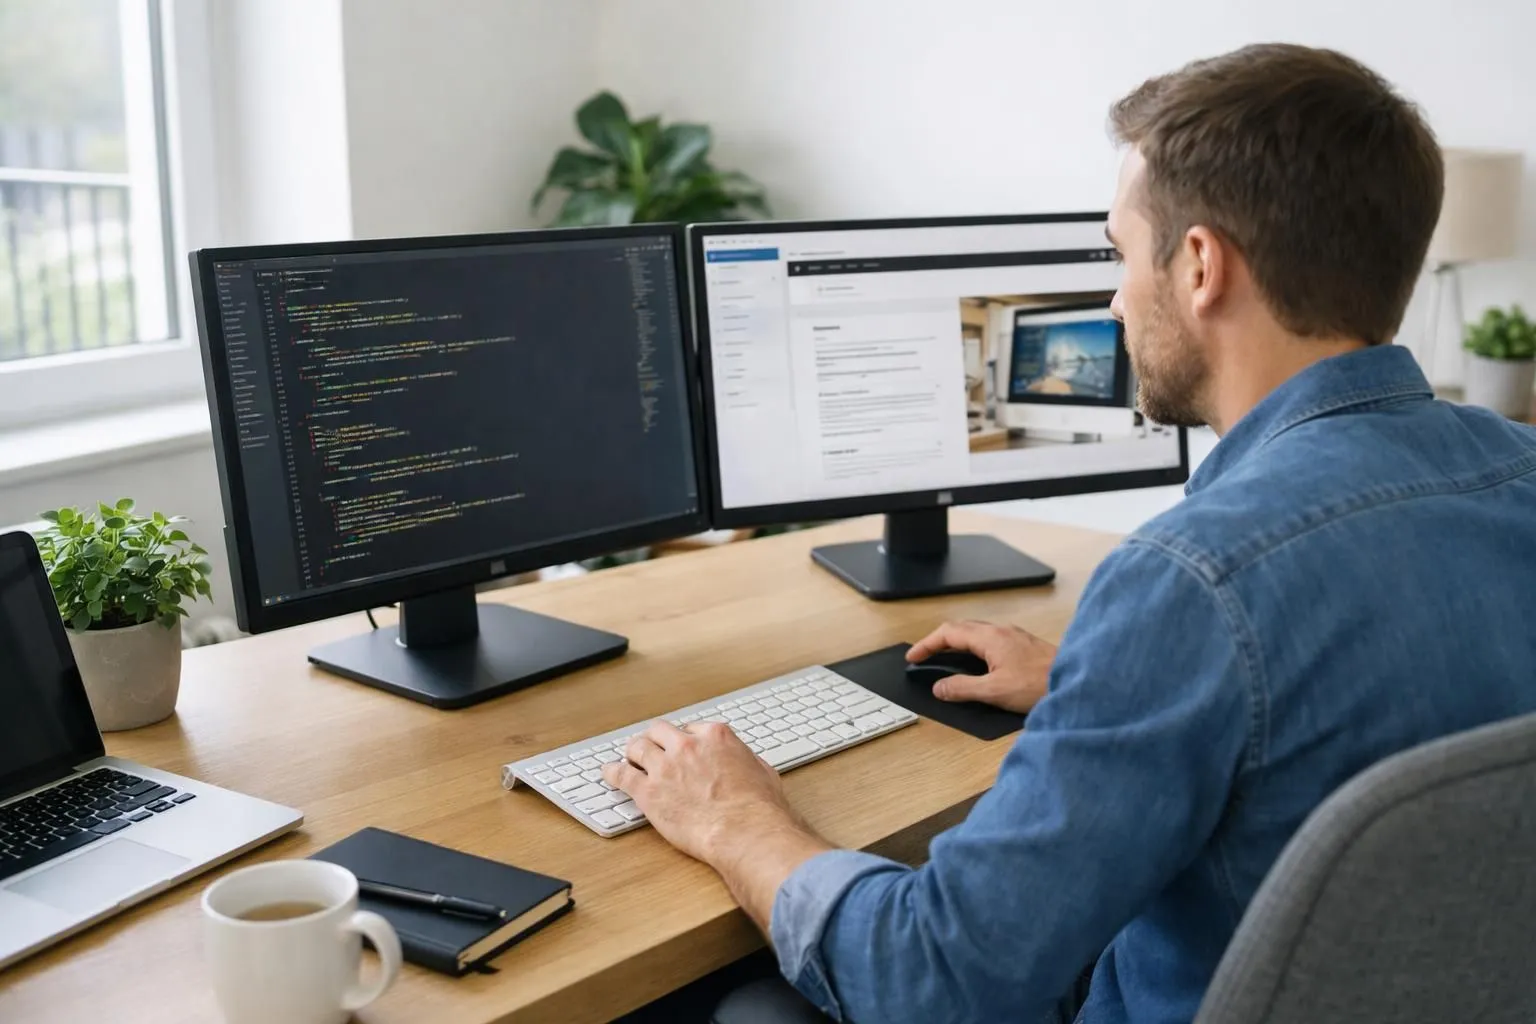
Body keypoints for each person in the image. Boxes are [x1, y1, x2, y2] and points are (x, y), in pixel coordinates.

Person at [604, 43, 1536, 1024]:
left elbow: (932, 982)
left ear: (1202, 264)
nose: (1114, 298)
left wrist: (735, 815)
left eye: (1119, 252)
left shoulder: (1194, 584)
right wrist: (1111, 688)